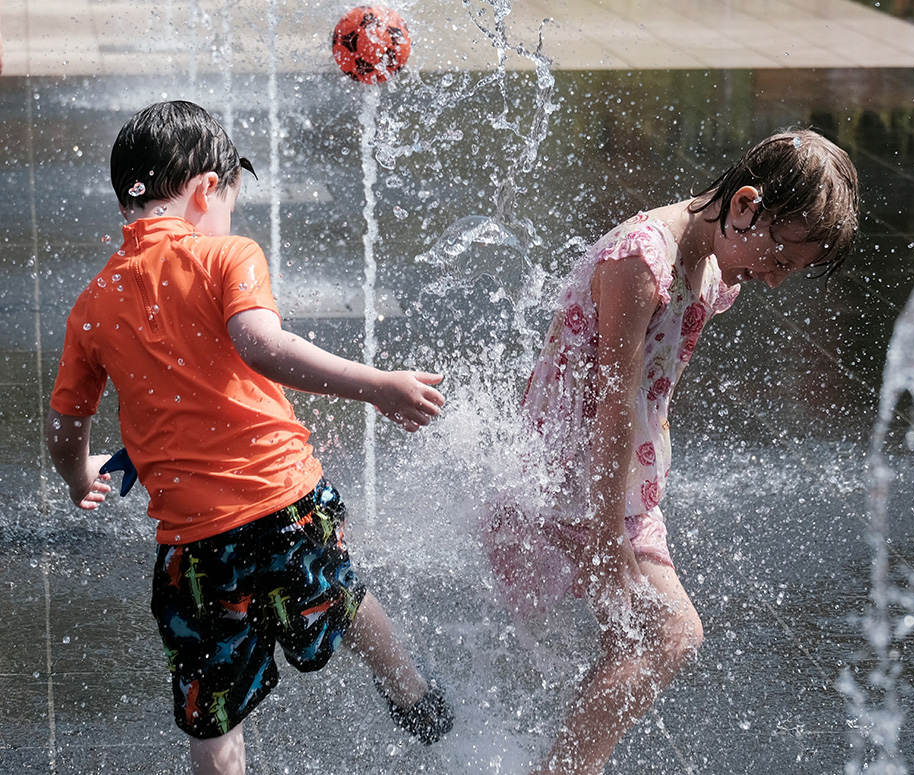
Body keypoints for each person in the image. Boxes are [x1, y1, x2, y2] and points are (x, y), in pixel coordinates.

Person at [46, 100, 453, 775]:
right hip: (286, 504)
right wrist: (377, 384)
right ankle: (410, 689)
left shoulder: (94, 301)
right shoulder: (227, 255)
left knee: (212, 711)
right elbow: (261, 346)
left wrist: (79, 477)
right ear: (207, 188)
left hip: (194, 547)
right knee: (345, 599)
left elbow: (69, 431)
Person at [484, 129, 860, 775]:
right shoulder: (642, 259)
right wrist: (607, 537)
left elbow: (652, 386)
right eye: (780, 260)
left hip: (618, 481)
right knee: (670, 633)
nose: (772, 281)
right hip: (573, 475)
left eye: (789, 271)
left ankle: (575, 762)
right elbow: (611, 401)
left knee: (630, 638)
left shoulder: (712, 265)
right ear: (744, 205)